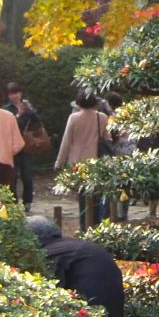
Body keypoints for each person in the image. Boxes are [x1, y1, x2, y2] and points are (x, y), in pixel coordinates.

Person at [26, 216, 126, 317]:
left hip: (89, 315)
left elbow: (42, 288)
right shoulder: (73, 245)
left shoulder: (49, 253)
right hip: (113, 312)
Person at [54, 91, 110, 226]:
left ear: (78, 102)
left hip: (77, 160)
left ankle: (84, 225)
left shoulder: (74, 118)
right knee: (96, 194)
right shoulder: (102, 117)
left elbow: (66, 142)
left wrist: (59, 163)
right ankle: (96, 223)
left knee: (82, 196)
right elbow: (107, 137)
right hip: (96, 159)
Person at [4, 81, 42, 209]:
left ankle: (27, 201)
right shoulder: (6, 109)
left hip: (26, 146)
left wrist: (30, 110)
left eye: (16, 93)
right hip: (12, 146)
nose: (14, 96)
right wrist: (19, 114)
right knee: (12, 176)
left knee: (27, 176)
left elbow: (37, 122)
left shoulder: (27, 108)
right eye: (11, 93)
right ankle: (13, 202)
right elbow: (7, 125)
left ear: (20, 93)